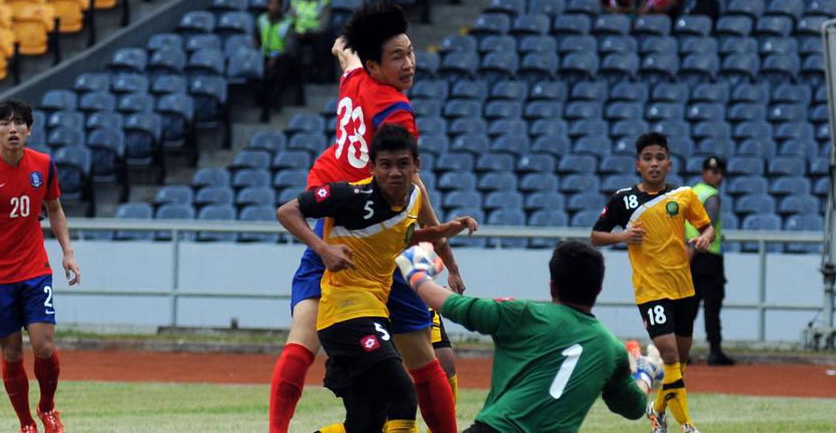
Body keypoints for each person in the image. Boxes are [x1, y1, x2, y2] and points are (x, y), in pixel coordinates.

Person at [268, 1, 466, 433]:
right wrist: (441, 245)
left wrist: (349, 44)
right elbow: (410, 181)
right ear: (376, 64)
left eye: (410, 53)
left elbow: (345, 52)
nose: (409, 63)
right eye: (398, 56)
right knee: (422, 362)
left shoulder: (356, 77)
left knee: (303, 342)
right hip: (375, 232)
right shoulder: (396, 110)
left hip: (334, 224)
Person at [277, 125, 476, 433]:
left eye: (402, 164)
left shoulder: (414, 197)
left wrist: (444, 236)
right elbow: (287, 211)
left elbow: (402, 235)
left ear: (416, 166)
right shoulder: (350, 195)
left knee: (365, 424)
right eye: (385, 165)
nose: (394, 172)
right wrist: (323, 248)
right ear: (372, 167)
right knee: (403, 397)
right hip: (347, 315)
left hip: (373, 311)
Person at [397, 239, 657, 433]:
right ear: (599, 288)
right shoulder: (612, 349)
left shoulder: (522, 314)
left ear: (552, 285)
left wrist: (415, 274)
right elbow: (634, 408)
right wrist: (645, 374)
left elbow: (455, 306)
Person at [0, 99, 80, 433]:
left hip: (35, 269)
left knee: (44, 345)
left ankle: (47, 408)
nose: (13, 129)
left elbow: (55, 209)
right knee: (11, 353)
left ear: (29, 130)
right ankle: (26, 423)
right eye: (5, 124)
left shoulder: (44, 165)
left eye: (19, 123)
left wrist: (67, 252)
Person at [591, 132, 714, 433]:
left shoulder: (683, 195)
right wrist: (623, 236)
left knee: (679, 362)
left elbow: (707, 226)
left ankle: (657, 411)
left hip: (683, 286)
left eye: (660, 158)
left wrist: (705, 238)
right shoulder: (623, 199)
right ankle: (687, 426)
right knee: (669, 354)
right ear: (638, 164)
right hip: (651, 290)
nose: (654, 163)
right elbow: (595, 236)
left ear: (669, 163)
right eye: (648, 158)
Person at [685, 156, 734, 366]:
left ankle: (682, 351)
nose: (718, 176)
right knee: (712, 306)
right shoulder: (712, 196)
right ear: (705, 173)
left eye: (721, 172)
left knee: (689, 306)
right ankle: (715, 350)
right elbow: (708, 228)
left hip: (691, 254)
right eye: (714, 172)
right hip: (708, 256)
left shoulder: (691, 192)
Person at [256, 0, 299, 121]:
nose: (273, 6)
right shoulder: (261, 19)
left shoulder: (288, 22)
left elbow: (290, 46)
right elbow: (256, 39)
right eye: (271, 3)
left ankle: (268, 107)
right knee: (264, 74)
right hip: (264, 56)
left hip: (282, 56)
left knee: (278, 72)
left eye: (276, 4)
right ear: (267, 5)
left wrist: (275, 58)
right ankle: (271, 103)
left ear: (281, 6)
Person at [289, 0, 333, 83]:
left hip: (316, 34)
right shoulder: (295, 1)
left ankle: (318, 74)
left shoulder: (324, 2)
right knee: (289, 39)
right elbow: (289, 20)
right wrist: (297, 31)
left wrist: (308, 32)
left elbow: (324, 24)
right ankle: (295, 76)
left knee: (324, 39)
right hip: (298, 34)